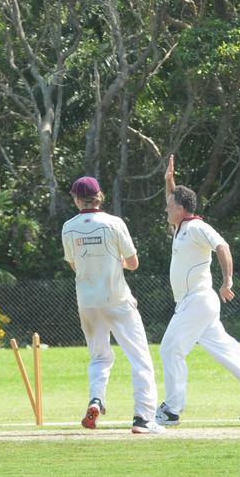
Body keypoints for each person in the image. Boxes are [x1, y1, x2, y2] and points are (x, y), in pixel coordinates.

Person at [156, 156, 240, 427]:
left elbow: (222, 246)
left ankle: (171, 410)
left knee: (170, 349)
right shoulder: (180, 227)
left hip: (197, 301)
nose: (166, 209)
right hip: (198, 304)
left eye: (169, 206)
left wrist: (227, 281)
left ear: (182, 208)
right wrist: (168, 181)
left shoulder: (197, 227)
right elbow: (173, 199)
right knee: (227, 350)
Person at [61, 175, 160, 434]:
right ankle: (143, 418)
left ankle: (96, 400)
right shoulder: (114, 223)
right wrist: (117, 263)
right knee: (140, 359)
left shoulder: (68, 227)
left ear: (76, 199)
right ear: (99, 196)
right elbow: (133, 262)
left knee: (99, 358)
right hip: (117, 300)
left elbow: (74, 265)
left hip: (88, 303)